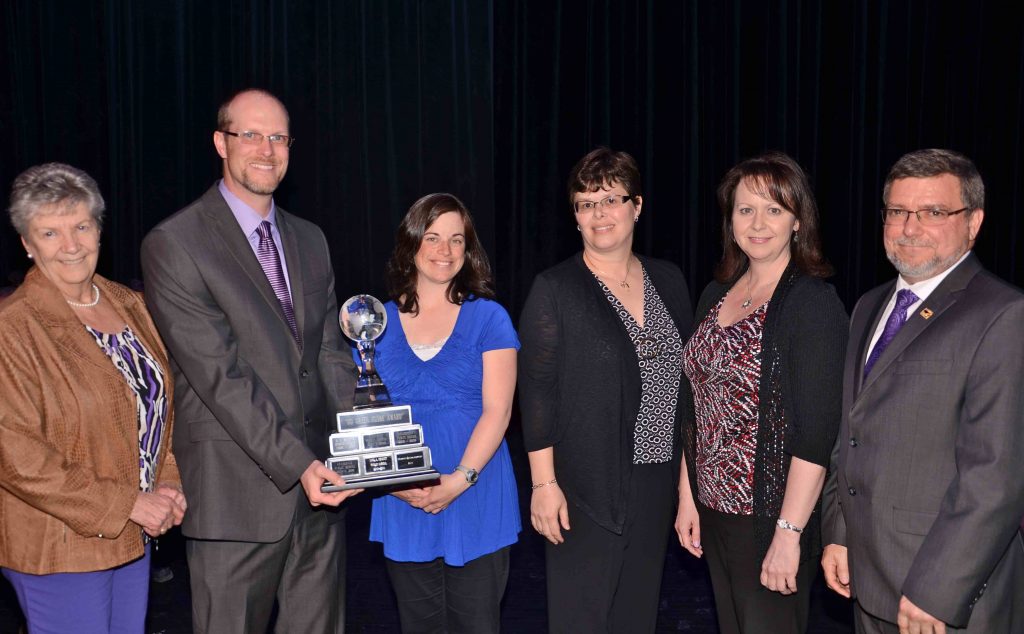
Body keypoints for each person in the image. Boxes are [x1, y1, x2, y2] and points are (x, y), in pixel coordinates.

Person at [140, 89, 359, 634]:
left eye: (279, 137)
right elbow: (221, 376)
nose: (267, 149)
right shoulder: (175, 242)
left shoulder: (310, 239)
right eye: (251, 135)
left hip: (322, 495)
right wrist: (300, 464)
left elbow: (330, 354)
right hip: (236, 501)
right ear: (221, 142)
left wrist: (367, 445)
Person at [821, 149, 1024, 633]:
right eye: (897, 211)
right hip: (868, 579)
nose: (910, 227)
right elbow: (849, 432)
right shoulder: (868, 306)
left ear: (973, 223)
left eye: (933, 212)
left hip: (945, 600)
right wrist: (838, 533)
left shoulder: (1003, 314)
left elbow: (995, 477)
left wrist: (938, 590)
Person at [0, 162, 185, 632]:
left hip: (131, 534)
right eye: (49, 232)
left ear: (99, 229)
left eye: (81, 226)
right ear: (26, 243)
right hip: (59, 541)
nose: (71, 246)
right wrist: (127, 502)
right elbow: (16, 456)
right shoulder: (13, 327)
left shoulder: (129, 303)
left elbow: (159, 403)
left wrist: (168, 482)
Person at [519, 147, 692, 633]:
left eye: (611, 199)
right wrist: (543, 484)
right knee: (582, 619)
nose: (599, 213)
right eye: (585, 202)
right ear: (574, 216)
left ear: (637, 206)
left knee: (636, 617)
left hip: (656, 481)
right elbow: (537, 394)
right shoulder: (554, 289)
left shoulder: (669, 279)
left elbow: (688, 393)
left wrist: (686, 487)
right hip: (583, 487)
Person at [674, 152, 847, 633]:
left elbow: (817, 436)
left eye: (774, 209)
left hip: (769, 517)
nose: (758, 223)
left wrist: (788, 534)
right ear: (730, 222)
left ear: (797, 221)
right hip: (713, 511)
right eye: (745, 209)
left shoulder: (812, 304)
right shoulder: (716, 293)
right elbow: (694, 405)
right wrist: (687, 497)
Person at [364, 193, 520, 633]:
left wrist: (459, 480)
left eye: (456, 240)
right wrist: (395, 484)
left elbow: (499, 410)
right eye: (432, 238)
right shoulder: (373, 323)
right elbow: (364, 416)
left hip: (477, 493)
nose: (445, 251)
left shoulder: (490, 318)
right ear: (411, 243)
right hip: (403, 498)